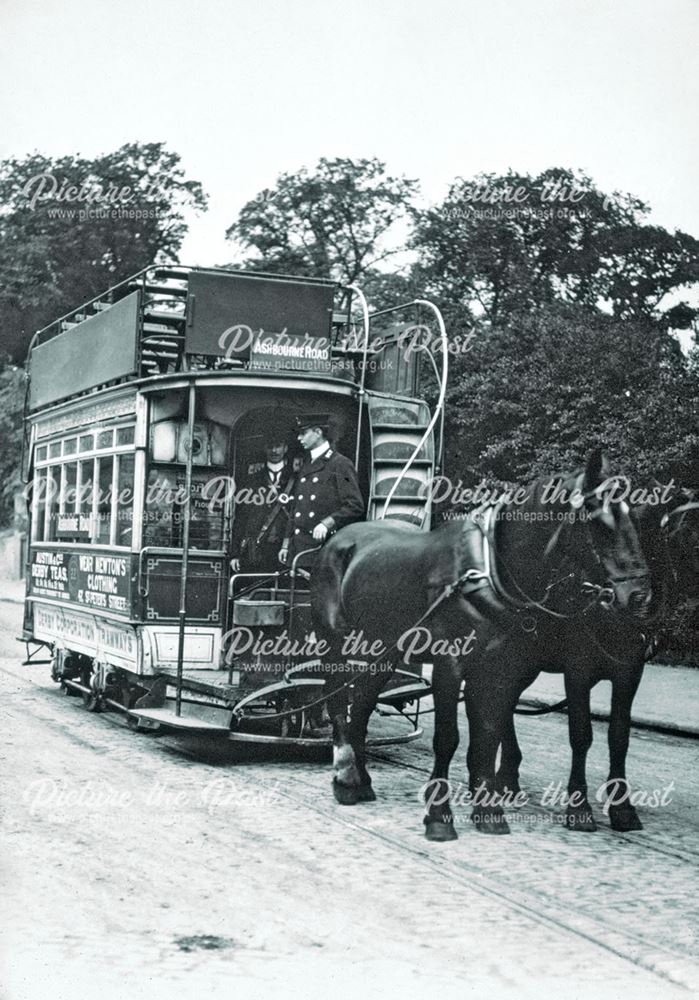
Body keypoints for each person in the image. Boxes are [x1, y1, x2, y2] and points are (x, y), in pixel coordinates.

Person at [279, 414, 364, 573]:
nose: (299, 438)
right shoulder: (306, 464)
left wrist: (328, 523)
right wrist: (286, 544)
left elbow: (355, 505)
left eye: (303, 433)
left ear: (318, 432)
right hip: (298, 550)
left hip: (322, 550)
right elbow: (296, 509)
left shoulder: (340, 464)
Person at [231, 432, 293, 574]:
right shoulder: (251, 480)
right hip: (255, 550)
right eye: (270, 446)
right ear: (265, 449)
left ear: (285, 448)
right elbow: (241, 518)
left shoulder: (295, 480)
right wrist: (234, 554)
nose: (274, 451)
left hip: (285, 549)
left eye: (278, 446)